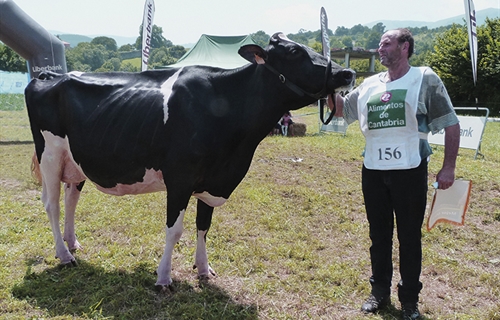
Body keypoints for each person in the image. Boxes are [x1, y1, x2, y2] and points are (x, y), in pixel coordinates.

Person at [332, 28, 460, 320]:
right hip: (374, 171)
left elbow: (451, 123)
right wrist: (328, 86)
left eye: (386, 44)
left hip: (410, 171)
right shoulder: (368, 85)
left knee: (409, 237)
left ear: (405, 47)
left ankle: (410, 300)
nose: (381, 49)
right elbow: (341, 110)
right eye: (379, 45)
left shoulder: (424, 78)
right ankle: (379, 293)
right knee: (379, 235)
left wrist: (449, 166)